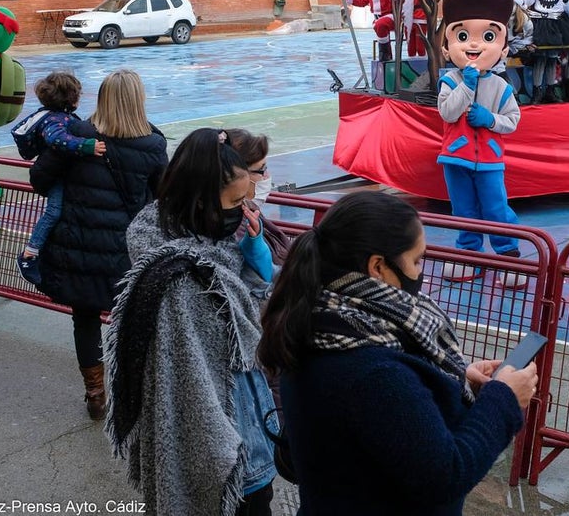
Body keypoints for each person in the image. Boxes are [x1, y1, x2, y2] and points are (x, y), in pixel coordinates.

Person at [258, 191, 538, 516]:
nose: (422, 273)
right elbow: (445, 474)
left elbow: (389, 425)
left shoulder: (317, 322)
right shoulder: (371, 370)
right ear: (378, 266)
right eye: (417, 260)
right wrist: (502, 398)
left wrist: (453, 378)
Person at [109, 128, 279, 516]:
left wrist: (252, 251)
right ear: (203, 198)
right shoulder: (183, 278)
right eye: (236, 201)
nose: (244, 208)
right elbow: (241, 338)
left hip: (240, 417)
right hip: (228, 431)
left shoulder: (203, 243)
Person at [29, 68, 167, 420]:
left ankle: (96, 392)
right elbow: (161, 198)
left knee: (85, 319)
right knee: (133, 322)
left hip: (79, 247)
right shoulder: (152, 144)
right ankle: (133, 392)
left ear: (101, 98)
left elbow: (40, 179)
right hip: (127, 251)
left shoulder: (77, 134)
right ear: (139, 100)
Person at [436, 0, 526, 286]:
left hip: (489, 161)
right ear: (447, 46)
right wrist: (465, 86)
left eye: (488, 37)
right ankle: (469, 256)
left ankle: (507, 256)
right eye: (462, 36)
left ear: (502, 48)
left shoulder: (501, 88)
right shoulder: (449, 81)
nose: (473, 45)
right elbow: (447, 113)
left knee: (496, 208)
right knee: (464, 210)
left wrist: (489, 121)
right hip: (456, 159)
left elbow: (511, 121)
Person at [10, 71, 107, 285]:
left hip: (56, 172)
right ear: (70, 98)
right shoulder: (55, 120)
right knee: (53, 212)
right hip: (56, 175)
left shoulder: (50, 115)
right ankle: (29, 254)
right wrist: (86, 146)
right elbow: (58, 140)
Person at [224, 127, 291, 290]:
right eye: (262, 170)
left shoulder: (248, 209)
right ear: (237, 175)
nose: (267, 176)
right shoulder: (235, 227)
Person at [522, 0, 569, 104]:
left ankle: (550, 91)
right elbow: (526, 2)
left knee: (552, 58)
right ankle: (537, 92)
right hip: (539, 24)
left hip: (556, 24)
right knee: (539, 58)